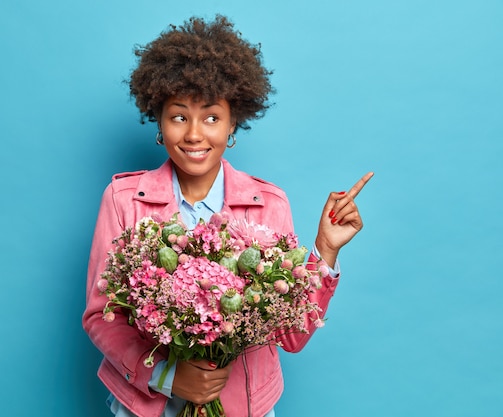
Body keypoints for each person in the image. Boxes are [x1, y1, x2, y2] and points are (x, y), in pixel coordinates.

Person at [82, 15, 373, 417]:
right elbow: (102, 316)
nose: (195, 134)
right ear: (159, 121)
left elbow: (289, 335)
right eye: (179, 116)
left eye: (212, 117)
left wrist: (324, 250)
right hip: (146, 408)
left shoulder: (270, 204)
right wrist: (167, 376)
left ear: (234, 122)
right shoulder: (123, 199)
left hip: (247, 407)